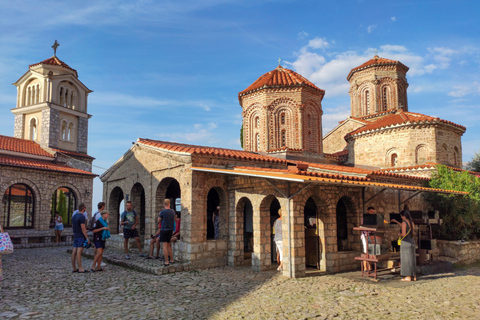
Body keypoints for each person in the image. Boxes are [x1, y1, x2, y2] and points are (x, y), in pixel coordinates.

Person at [392, 205, 416, 281]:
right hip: (411, 242)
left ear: (403, 216)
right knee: (411, 259)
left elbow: (404, 233)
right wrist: (396, 222)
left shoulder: (404, 223)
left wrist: (399, 234)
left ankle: (408, 276)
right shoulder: (411, 223)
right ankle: (413, 276)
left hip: (405, 243)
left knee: (406, 259)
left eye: (401, 216)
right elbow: (406, 228)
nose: (401, 218)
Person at [71, 203, 90, 273]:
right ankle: (80, 268)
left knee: (74, 251)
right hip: (80, 236)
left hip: (75, 234)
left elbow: (74, 226)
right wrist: (87, 238)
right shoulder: (81, 217)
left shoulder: (74, 216)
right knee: (79, 252)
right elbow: (83, 228)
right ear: (84, 208)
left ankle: (74, 267)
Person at [159, 199, 175, 266]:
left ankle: (166, 261)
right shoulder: (172, 211)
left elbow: (158, 220)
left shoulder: (162, 212)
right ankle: (172, 260)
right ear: (169, 204)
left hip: (164, 229)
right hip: (170, 230)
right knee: (169, 246)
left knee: (164, 246)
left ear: (164, 205)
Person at [89, 202, 106, 268]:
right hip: (98, 233)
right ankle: (97, 262)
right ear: (102, 207)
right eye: (104, 206)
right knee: (99, 249)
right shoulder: (99, 215)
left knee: (96, 247)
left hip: (96, 232)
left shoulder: (96, 213)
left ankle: (96, 261)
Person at [361, 206, 376, 272]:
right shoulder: (364, 218)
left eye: (373, 212)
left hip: (371, 235)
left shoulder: (373, 219)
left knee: (370, 251)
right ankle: (365, 268)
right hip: (365, 235)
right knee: (366, 251)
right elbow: (362, 225)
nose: (372, 213)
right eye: (371, 212)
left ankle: (370, 267)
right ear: (368, 211)